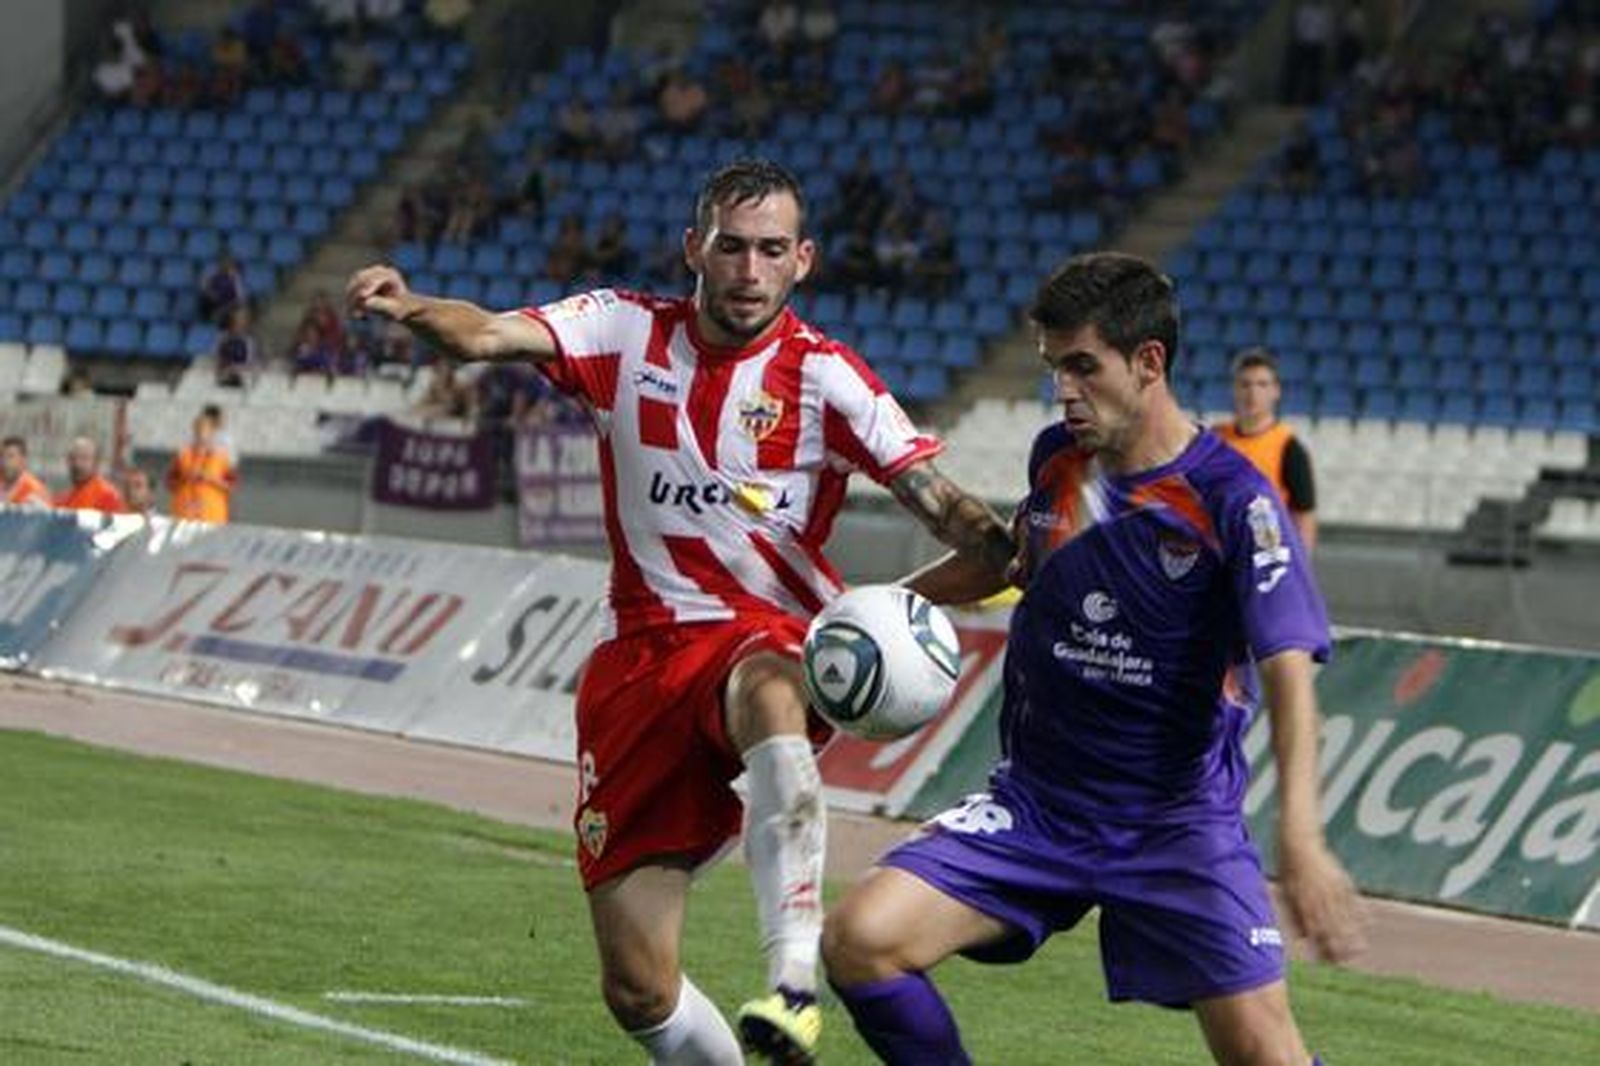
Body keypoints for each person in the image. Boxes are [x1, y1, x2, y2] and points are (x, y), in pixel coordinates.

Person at [346, 159, 1013, 1066]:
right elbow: (487, 336)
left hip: (765, 636)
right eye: (731, 247)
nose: (748, 269)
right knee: (638, 986)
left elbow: (968, 528)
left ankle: (793, 983)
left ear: (802, 260)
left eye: (770, 250)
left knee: (772, 692)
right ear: (693, 248)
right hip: (639, 662)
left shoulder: (829, 381)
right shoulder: (623, 331)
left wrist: (878, 615)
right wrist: (412, 305)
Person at [821, 252, 1366, 1064]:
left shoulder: (1234, 500)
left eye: (1083, 367)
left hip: (1175, 824)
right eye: (1053, 370)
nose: (1064, 392)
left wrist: (1303, 836)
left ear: (1149, 363)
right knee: (859, 940)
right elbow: (1009, 560)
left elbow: (1289, 668)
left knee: (1267, 1056)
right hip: (1039, 806)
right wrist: (876, 615)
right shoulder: (1057, 458)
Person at [1215, 347, 1318, 551]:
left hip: (1267, 556)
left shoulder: (1289, 447)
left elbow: (1304, 515)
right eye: (1245, 384)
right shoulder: (1215, 440)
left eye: (1262, 384)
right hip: (1220, 553)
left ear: (1276, 391)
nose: (1253, 393)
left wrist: (1300, 570)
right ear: (1234, 389)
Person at [167, 408, 238, 524]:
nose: (201, 434)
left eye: (205, 430)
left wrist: (211, 479)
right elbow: (170, 483)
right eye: (198, 430)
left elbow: (232, 485)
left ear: (212, 433)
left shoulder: (222, 457)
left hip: (212, 515)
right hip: (184, 514)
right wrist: (186, 476)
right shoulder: (183, 455)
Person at [54, 437, 126, 513]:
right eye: (73, 458)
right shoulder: (63, 499)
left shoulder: (107, 495)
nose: (77, 464)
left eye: (84, 458)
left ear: (96, 463)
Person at [1, 436, 51, 506]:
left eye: (10, 456)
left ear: (23, 460)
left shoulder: (34, 491)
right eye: (2, 456)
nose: (4, 462)